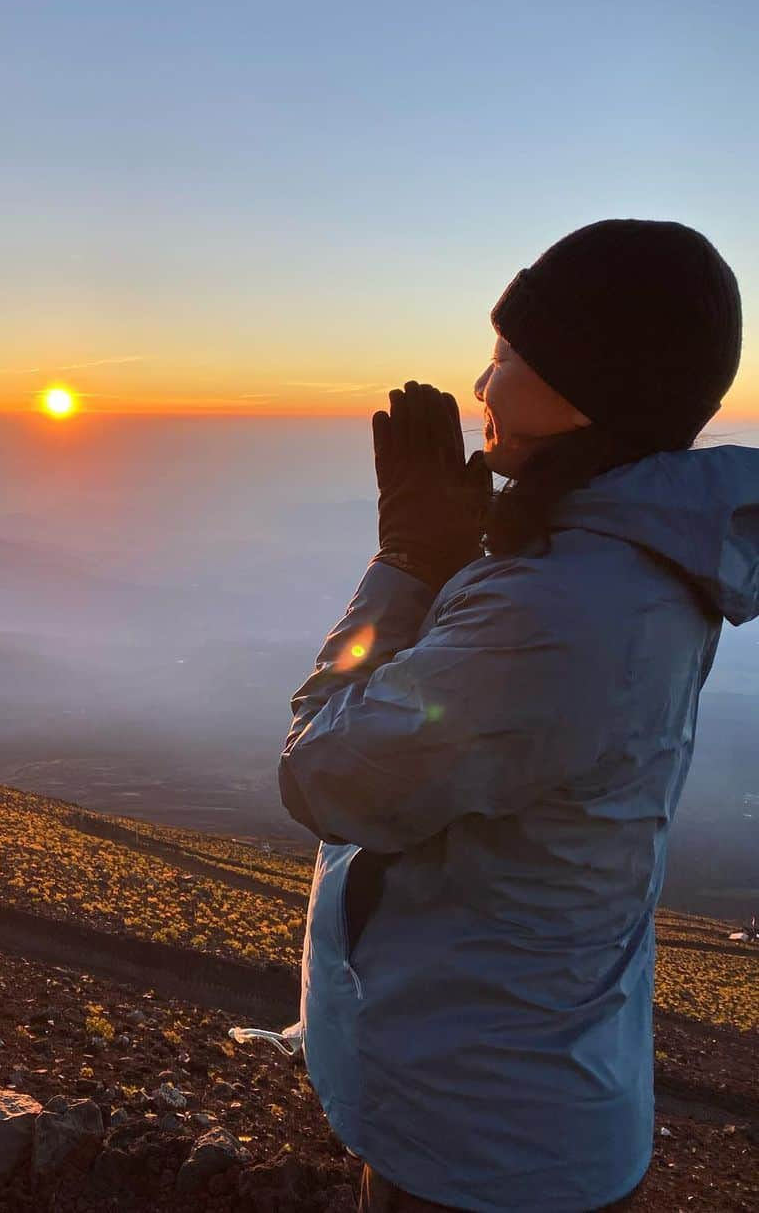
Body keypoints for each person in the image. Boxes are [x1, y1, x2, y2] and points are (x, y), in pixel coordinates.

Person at [278, 218, 759, 1212]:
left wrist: (406, 565)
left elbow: (326, 774)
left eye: (505, 355)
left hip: (482, 1141)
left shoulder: (561, 611)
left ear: (588, 384)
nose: (483, 384)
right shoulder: (617, 563)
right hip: (517, 1091)